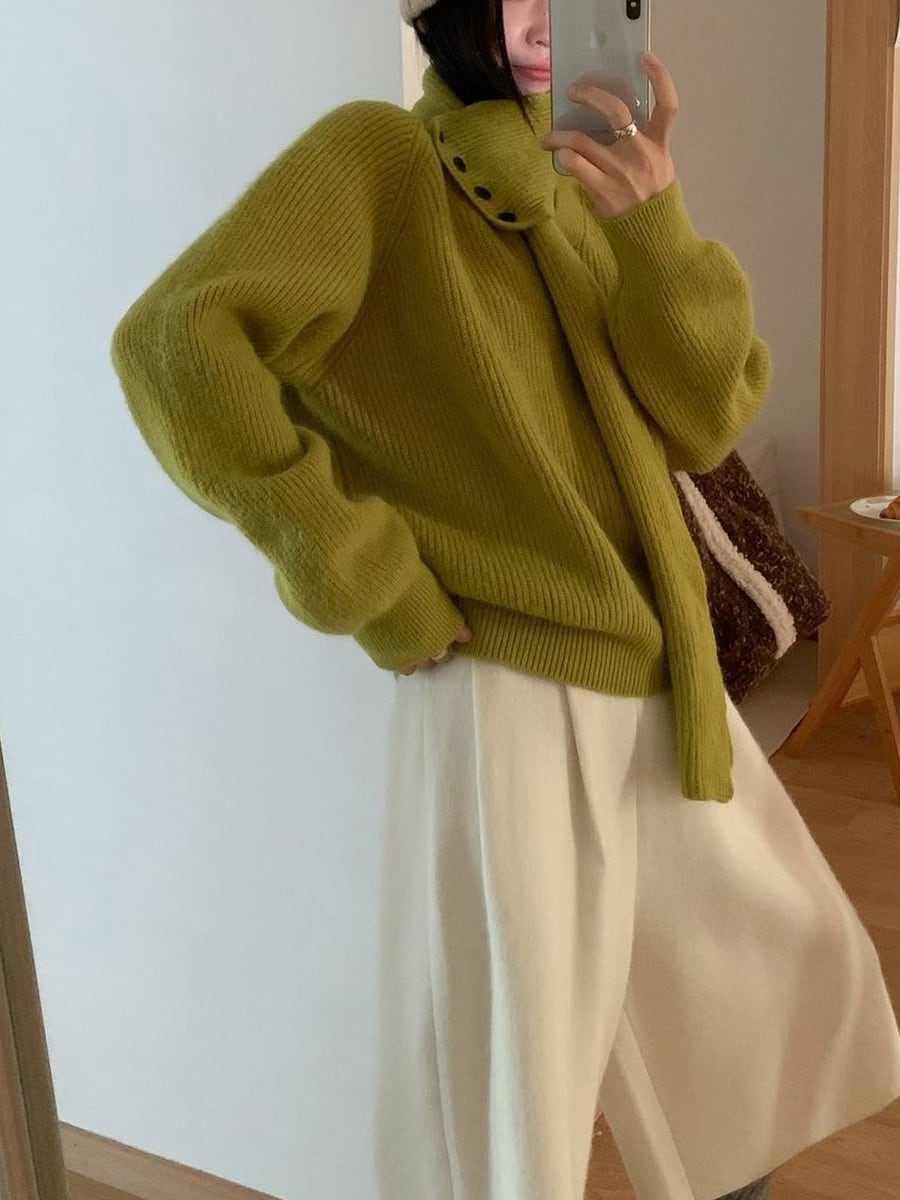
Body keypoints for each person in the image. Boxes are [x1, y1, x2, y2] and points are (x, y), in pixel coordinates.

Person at [110, 1, 900, 1197]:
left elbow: (706, 417)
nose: (545, 9)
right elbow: (178, 346)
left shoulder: (590, 178)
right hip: (510, 690)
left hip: (658, 681)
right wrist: (368, 579)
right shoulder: (380, 157)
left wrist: (657, 222)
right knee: (510, 1082)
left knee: (754, 1012)